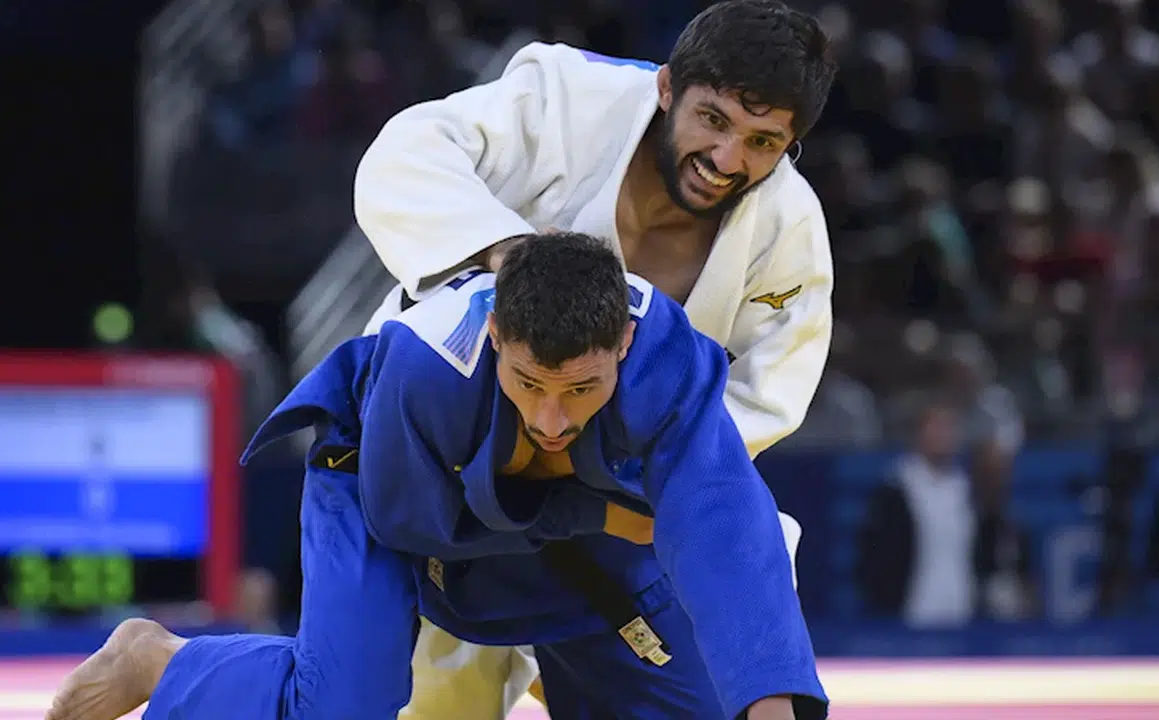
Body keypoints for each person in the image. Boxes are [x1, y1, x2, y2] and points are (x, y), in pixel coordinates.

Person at [47, 233, 827, 720]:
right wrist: (585, 511)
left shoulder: (668, 362)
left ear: (623, 343)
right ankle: (162, 659)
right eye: (528, 383)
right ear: (497, 333)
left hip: (567, 524)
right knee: (342, 708)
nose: (552, 416)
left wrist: (770, 703)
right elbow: (412, 528)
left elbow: (727, 524)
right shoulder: (426, 368)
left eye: (582, 390)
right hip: (384, 488)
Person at [353, 2, 837, 715]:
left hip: (615, 505)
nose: (727, 159)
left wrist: (607, 477)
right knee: (438, 701)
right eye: (713, 120)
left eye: (763, 142)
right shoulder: (567, 99)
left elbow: (761, 404)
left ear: (792, 145)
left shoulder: (788, 233)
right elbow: (404, 156)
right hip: (454, 467)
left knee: (747, 565)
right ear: (668, 87)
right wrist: (502, 250)